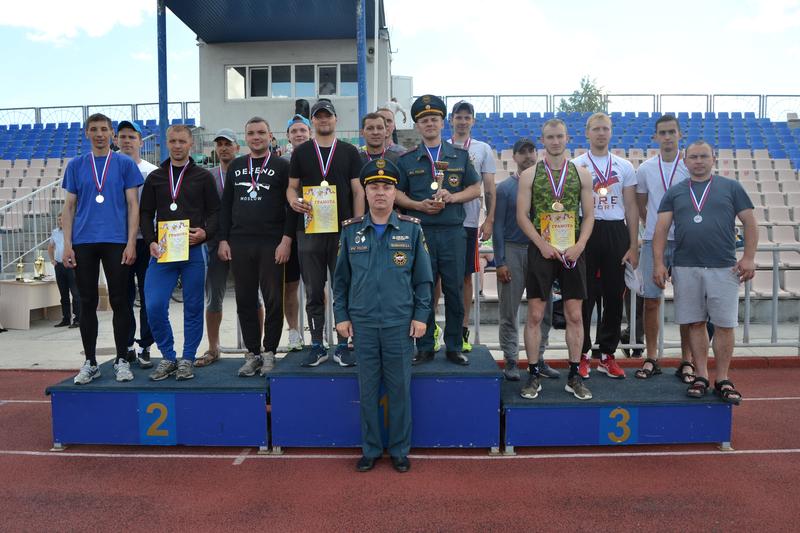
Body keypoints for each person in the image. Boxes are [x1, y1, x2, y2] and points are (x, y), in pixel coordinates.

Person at [333, 158, 433, 473]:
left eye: (386, 187)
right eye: (374, 186)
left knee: (399, 390)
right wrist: (341, 315)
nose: (380, 192)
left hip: (399, 324)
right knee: (367, 390)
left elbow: (423, 280)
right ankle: (372, 449)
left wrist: (421, 316)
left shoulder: (412, 229)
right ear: (365, 191)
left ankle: (400, 449)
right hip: (362, 324)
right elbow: (340, 281)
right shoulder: (351, 231)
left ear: (395, 192)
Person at [653, 141, 756, 404]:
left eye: (703, 156)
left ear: (713, 159)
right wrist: (658, 263)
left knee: (724, 324)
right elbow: (661, 230)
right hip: (686, 266)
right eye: (693, 157)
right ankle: (700, 375)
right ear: (685, 161)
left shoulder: (731, 187)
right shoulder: (675, 192)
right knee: (695, 322)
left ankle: (722, 378)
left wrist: (748, 257)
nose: (698, 161)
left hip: (724, 266)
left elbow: (750, 222)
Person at [395, 94, 481, 366]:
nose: (429, 124)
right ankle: (424, 346)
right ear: (417, 126)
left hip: (453, 232)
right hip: (421, 233)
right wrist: (417, 205)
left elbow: (475, 188)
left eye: (434, 119)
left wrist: (453, 197)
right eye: (424, 120)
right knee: (423, 289)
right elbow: (396, 193)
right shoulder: (407, 159)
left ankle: (453, 345)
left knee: (454, 289)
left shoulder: (460, 155)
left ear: (443, 123)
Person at [516, 119, 595, 400]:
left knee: (574, 314)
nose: (555, 141)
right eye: (550, 137)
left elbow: (590, 216)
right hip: (542, 250)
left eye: (560, 136)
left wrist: (580, 245)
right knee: (535, 314)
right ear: (543, 140)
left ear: (567, 138)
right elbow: (522, 216)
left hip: (573, 250)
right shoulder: (530, 175)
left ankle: (574, 375)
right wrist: (541, 244)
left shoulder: (582, 174)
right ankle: (533, 373)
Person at [62, 113, 142, 384]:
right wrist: (67, 245)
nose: (99, 134)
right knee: (87, 302)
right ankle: (90, 362)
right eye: (94, 129)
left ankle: (122, 359)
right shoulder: (76, 165)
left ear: (111, 134)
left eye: (104, 129)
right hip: (83, 241)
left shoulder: (124, 164)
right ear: (87, 133)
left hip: (116, 240)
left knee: (120, 300)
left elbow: (133, 205)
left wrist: (131, 242)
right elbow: (69, 207)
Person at [287, 100, 365, 367]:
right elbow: (292, 187)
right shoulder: (301, 152)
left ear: (335, 119)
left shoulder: (349, 151)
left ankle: (343, 345)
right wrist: (293, 201)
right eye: (318, 116)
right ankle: (317, 344)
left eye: (327, 116)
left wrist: (356, 224)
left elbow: (358, 191)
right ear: (312, 122)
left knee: (343, 288)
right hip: (309, 230)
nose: (323, 120)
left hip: (342, 230)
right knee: (313, 291)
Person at [140, 125, 220, 381]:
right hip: (163, 252)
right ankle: (168, 356)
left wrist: (205, 233)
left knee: (193, 307)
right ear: (167, 143)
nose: (177, 145)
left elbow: (215, 212)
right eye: (173, 141)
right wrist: (150, 241)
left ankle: (187, 358)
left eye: (182, 141)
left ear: (190, 144)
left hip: (193, 251)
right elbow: (145, 213)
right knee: (154, 305)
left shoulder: (203, 177)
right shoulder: (155, 177)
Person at [217, 118, 292, 377]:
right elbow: (226, 206)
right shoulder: (237, 166)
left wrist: (286, 240)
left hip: (272, 242)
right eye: (251, 133)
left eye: (261, 132)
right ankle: (252, 353)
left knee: (273, 300)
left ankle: (269, 351)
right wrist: (223, 239)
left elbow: (291, 207)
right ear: (245, 137)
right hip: (240, 242)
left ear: (271, 136)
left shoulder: (282, 166)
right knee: (245, 299)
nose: (256, 137)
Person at [571, 113, 639, 379]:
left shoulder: (624, 166)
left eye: (605, 129)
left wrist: (633, 245)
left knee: (613, 295)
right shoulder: (576, 164)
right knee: (584, 295)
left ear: (611, 132)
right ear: (587, 132)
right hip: (586, 229)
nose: (601, 133)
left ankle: (607, 355)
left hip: (615, 230)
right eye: (596, 129)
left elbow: (631, 207)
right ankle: (582, 354)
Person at [194, 129, 265, 367]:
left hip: (245, 242)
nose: (224, 148)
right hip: (216, 243)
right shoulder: (209, 176)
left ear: (237, 147)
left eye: (228, 144)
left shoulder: (248, 173)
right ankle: (213, 347)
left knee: (253, 296)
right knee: (214, 297)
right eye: (220, 144)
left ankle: (256, 346)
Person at [634, 114, 696, 381]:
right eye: (663, 132)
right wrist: (656, 227)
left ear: (680, 135)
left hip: (685, 241)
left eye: (672, 132)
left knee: (688, 303)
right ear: (655, 137)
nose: (668, 137)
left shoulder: (690, 166)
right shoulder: (646, 169)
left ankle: (687, 360)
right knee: (651, 301)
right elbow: (641, 205)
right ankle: (651, 357)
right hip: (653, 241)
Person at [493, 138, 559, 380]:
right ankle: (511, 359)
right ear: (514, 157)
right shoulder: (505, 188)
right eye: (522, 152)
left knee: (544, 309)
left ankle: (538, 358)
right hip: (513, 250)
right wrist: (500, 261)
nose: (528, 155)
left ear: (537, 153)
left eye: (531, 150)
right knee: (509, 310)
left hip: (541, 251)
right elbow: (498, 226)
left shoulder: (548, 185)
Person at [443, 100, 497, 353]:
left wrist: (489, 219)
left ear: (473, 121)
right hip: (443, 220)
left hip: (469, 222)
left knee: (466, 276)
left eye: (467, 117)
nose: (462, 121)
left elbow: (489, 188)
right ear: (451, 120)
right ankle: (435, 329)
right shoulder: (442, 147)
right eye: (458, 117)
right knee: (435, 276)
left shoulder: (482, 149)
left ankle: (463, 328)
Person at [116, 120, 158, 368]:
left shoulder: (152, 172)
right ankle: (127, 345)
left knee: (148, 296)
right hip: (118, 243)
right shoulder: (110, 169)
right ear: (116, 140)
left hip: (146, 242)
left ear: (141, 142)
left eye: (132, 137)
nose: (127, 141)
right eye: (122, 136)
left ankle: (146, 346)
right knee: (123, 298)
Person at [280, 114, 312, 351]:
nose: (299, 134)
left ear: (310, 133)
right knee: (290, 285)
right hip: (289, 230)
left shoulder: (319, 158)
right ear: (288, 136)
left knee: (316, 285)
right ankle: (293, 332)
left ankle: (319, 331)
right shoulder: (281, 163)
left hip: (315, 229)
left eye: (303, 130)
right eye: (294, 131)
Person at [48, 214, 80, 328]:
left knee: (75, 293)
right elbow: (50, 247)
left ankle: (77, 319)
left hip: (71, 265)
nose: (60, 221)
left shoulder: (74, 231)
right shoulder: (55, 232)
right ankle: (66, 318)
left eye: (62, 219)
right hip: (59, 265)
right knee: (63, 294)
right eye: (59, 220)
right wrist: (52, 260)